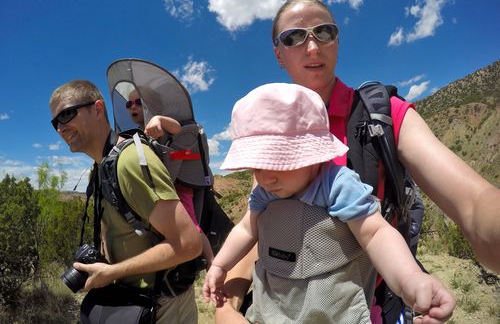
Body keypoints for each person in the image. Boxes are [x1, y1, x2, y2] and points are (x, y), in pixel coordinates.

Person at [216, 0, 500, 324]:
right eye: (294, 37)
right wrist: (228, 303)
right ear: (278, 54)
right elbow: (261, 224)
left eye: (324, 32)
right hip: (279, 304)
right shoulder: (268, 141)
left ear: (337, 42)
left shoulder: (385, 116)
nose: (312, 46)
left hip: (362, 305)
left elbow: (475, 202)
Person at [203, 83, 455, 323]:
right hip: (272, 311)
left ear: (313, 154)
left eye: (278, 161)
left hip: (336, 312)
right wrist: (220, 264)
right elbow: (247, 229)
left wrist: (409, 278)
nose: (265, 176)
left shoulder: (337, 186)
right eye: (256, 166)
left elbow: (376, 233)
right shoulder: (266, 193)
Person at [49, 80, 202, 323]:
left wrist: (112, 272)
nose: (60, 128)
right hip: (133, 301)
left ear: (97, 108)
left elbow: (188, 244)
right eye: (55, 122)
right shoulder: (100, 167)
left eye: (67, 114)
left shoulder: (129, 161)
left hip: (163, 306)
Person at [126, 89, 215, 269]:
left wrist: (158, 119)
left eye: (138, 102)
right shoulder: (139, 133)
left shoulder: (159, 122)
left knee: (191, 226)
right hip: (166, 185)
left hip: (180, 185)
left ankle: (212, 264)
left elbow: (177, 128)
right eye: (129, 104)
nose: (132, 107)